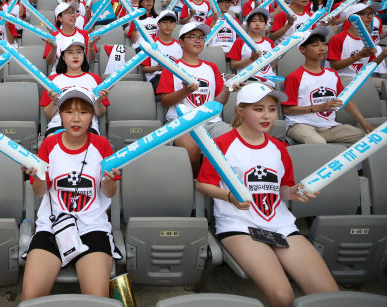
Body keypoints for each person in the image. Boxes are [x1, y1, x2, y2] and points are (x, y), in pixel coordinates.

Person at [196, 84, 339, 307]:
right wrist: (230, 197)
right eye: (258, 109)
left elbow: (282, 188)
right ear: (240, 111)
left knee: (329, 296)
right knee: (283, 298)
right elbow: (204, 184)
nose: (267, 115)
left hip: (281, 225)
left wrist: (292, 192)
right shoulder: (222, 144)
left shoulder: (279, 147)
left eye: (272, 109)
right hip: (239, 225)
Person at [20, 87, 121, 301]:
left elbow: (109, 193)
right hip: (53, 226)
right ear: (60, 115)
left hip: (92, 226)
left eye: (84, 112)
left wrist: (108, 180)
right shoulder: (49, 144)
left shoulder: (102, 145)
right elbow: (39, 192)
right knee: (30, 298)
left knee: (97, 299)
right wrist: (38, 176)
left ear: (92, 116)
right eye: (69, 112)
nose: (76, 119)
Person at [156, 23, 233, 176]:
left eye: (201, 37)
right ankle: (197, 185)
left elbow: (219, 102)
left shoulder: (211, 67)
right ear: (181, 42)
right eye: (192, 37)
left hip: (212, 122)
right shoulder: (171, 67)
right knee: (191, 149)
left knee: (233, 144)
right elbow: (165, 101)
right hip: (182, 122)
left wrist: (227, 88)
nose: (198, 41)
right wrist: (185, 91)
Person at [283, 27, 374, 144]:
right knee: (317, 142)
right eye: (315, 45)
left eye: (324, 44)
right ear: (302, 49)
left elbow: (345, 101)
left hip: (330, 127)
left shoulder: (332, 74)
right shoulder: (295, 76)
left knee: (369, 137)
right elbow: (287, 110)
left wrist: (366, 125)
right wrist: (316, 108)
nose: (322, 48)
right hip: (300, 125)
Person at [41, 38, 109, 136]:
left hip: (87, 127)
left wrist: (98, 102)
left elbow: (101, 114)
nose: (75, 56)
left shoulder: (95, 78)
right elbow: (48, 114)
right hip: (57, 126)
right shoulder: (51, 80)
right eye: (70, 52)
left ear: (83, 55)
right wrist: (55, 102)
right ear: (63, 56)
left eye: (79, 52)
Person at [327, 3, 387, 93]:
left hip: (363, 77)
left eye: (371, 13)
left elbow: (370, 65)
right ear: (352, 18)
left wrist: (384, 54)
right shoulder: (337, 38)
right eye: (365, 13)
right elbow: (334, 66)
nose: (369, 17)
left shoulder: (368, 39)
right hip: (342, 77)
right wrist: (359, 56)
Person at [228, 8, 279, 86]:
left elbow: (271, 66)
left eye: (261, 21)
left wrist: (277, 57)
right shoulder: (240, 41)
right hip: (249, 80)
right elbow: (233, 65)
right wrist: (252, 59)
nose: (258, 24)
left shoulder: (269, 42)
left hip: (269, 80)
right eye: (254, 21)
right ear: (248, 23)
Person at [45, 3, 97, 75]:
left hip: (82, 74)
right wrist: (54, 48)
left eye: (73, 12)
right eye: (68, 12)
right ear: (60, 18)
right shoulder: (53, 36)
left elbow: (91, 59)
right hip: (59, 75)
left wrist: (91, 46)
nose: (73, 15)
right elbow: (50, 62)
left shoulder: (85, 34)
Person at [140, 10, 180, 92]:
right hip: (157, 77)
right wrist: (156, 68)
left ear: (175, 25)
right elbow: (144, 68)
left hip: (176, 77)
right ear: (158, 24)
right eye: (165, 22)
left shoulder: (180, 45)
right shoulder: (150, 44)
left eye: (171, 22)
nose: (168, 25)